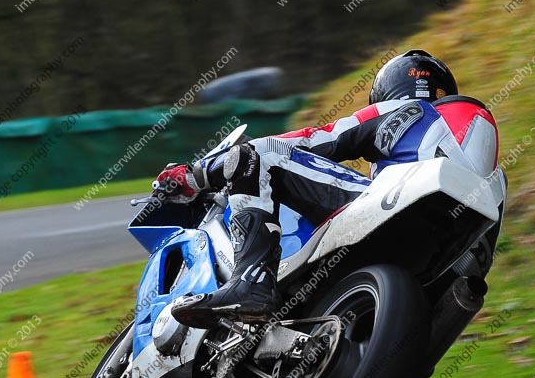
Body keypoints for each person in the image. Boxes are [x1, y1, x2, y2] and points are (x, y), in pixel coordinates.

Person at [155, 50, 500, 329]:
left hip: (398, 209)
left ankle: (251, 282)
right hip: (447, 255)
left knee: (257, 156)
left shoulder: (407, 109)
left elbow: (319, 140)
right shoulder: (488, 167)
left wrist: (199, 174)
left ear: (388, 92)